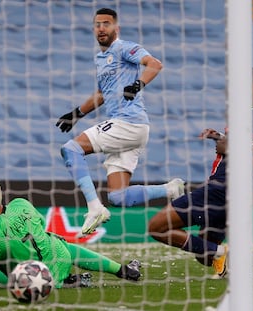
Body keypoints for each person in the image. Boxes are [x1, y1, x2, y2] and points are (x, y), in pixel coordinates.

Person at [147, 68, 253, 279]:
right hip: (232, 190)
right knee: (205, 255)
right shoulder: (243, 113)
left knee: (156, 227)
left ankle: (223, 254)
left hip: (223, 188)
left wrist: (228, 148)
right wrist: (219, 136)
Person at [56, 7, 184, 237]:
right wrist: (75, 114)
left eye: (107, 23)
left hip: (129, 123)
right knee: (118, 196)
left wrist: (138, 85)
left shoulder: (124, 48)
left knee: (71, 149)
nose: (101, 28)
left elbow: (154, 64)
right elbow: (101, 94)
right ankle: (170, 188)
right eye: (98, 24)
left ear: (116, 28)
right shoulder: (100, 59)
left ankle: (94, 208)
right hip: (129, 129)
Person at [0, 174, 141, 291]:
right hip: (59, 255)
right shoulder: (21, 203)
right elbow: (38, 225)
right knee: (59, 245)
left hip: (38, 278)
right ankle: (124, 271)